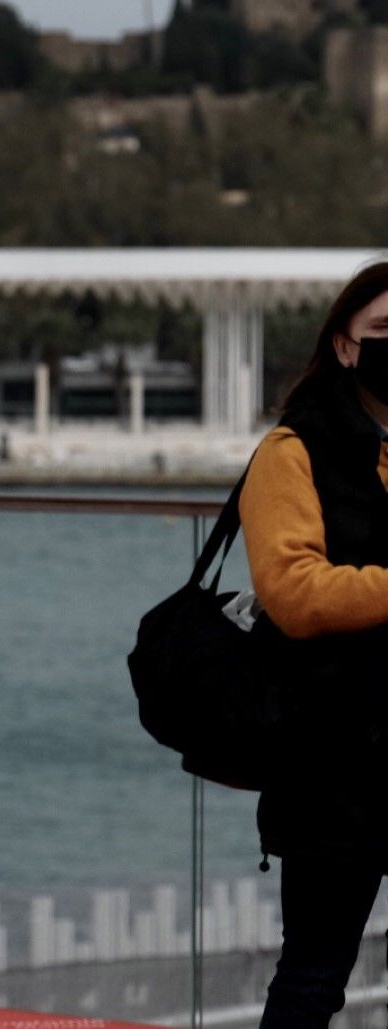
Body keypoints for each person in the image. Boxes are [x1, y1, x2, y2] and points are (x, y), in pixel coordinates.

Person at [243, 260, 388, 1028]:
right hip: (332, 760)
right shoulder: (290, 453)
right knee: (314, 976)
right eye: (384, 333)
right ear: (342, 344)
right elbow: (294, 593)